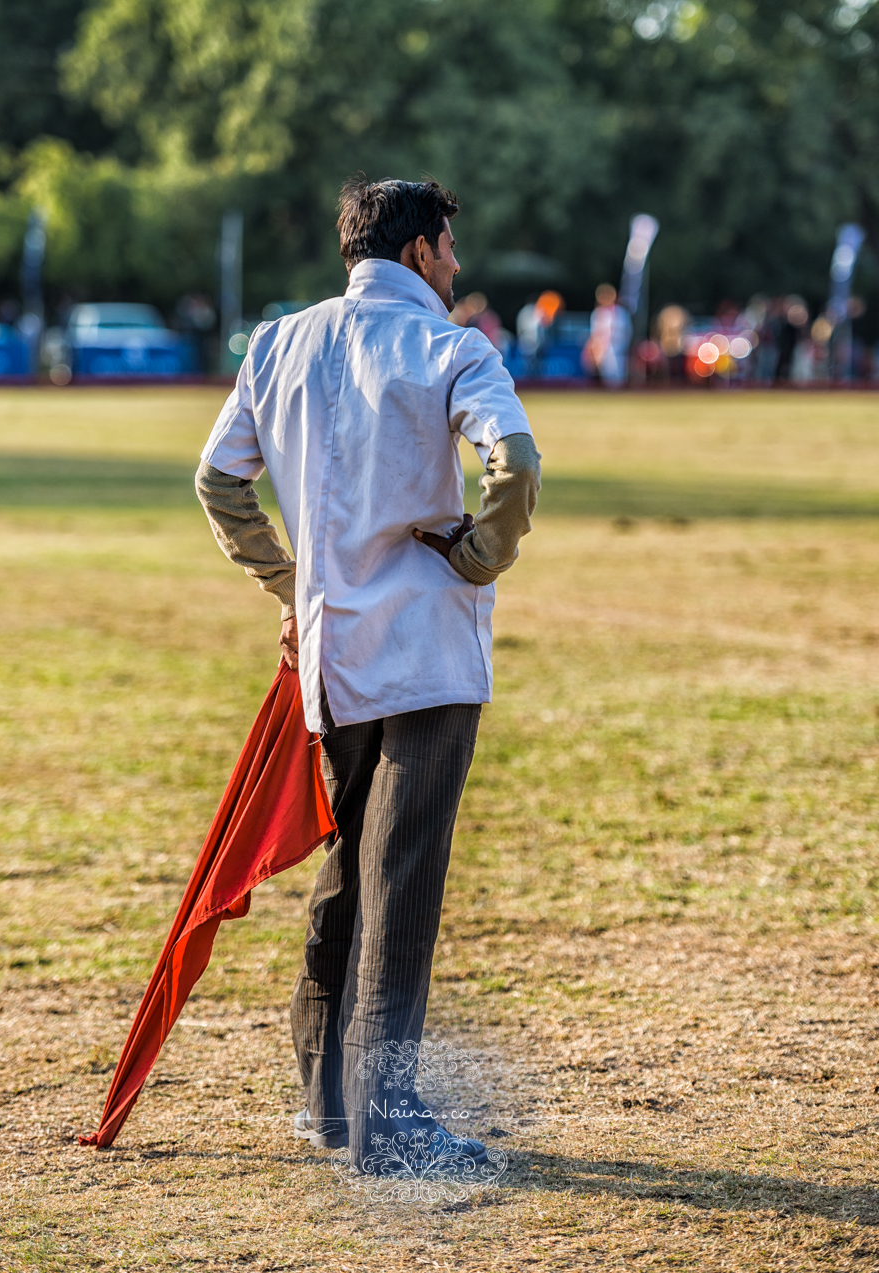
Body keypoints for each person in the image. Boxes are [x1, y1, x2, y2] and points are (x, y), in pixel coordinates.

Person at [195, 177, 540, 1173]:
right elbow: (513, 464)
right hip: (426, 649)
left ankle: (327, 1098)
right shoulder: (451, 346)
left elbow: (219, 481)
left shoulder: (278, 341)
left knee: (349, 864)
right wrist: (481, 554)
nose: (457, 268)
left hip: (329, 650)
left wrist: (289, 583)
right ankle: (387, 1123)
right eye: (449, 248)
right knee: (404, 874)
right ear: (424, 249)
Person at [583, 283, 631, 386]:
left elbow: (626, 332)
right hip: (603, 348)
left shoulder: (621, 312)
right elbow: (595, 333)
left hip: (618, 348)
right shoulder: (598, 313)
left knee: (618, 374)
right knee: (606, 373)